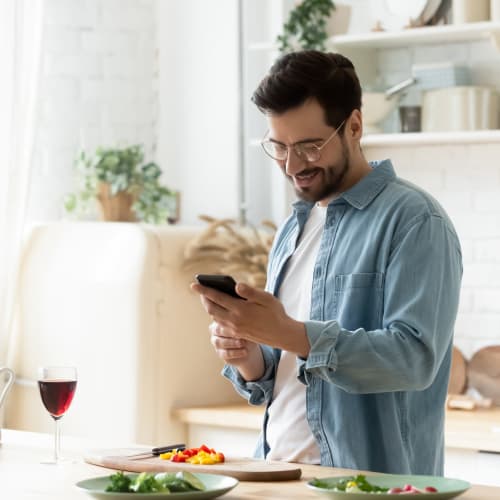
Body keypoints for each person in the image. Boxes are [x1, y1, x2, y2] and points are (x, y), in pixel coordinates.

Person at [191, 50, 462, 475]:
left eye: (309, 146)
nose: (292, 165)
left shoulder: (415, 221)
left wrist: (291, 333)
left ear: (354, 126)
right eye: (278, 146)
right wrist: (251, 356)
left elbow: (414, 359)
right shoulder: (293, 227)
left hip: (367, 485)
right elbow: (288, 374)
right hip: (278, 474)